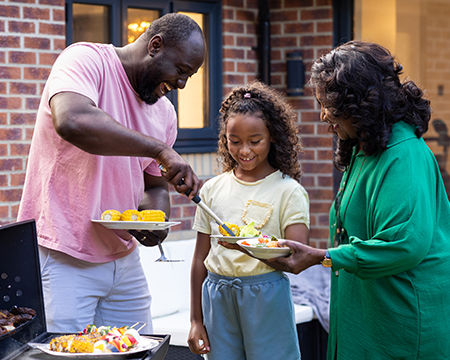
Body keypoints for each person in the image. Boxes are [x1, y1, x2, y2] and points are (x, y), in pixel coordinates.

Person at [17, 13, 205, 333]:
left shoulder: (164, 113)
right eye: (181, 71)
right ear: (155, 46)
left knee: (138, 351)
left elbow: (154, 185)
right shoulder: (87, 60)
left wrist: (156, 220)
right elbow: (72, 120)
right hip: (64, 255)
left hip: (124, 261)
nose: (182, 85)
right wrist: (159, 150)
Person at [269, 41, 450, 359]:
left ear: (364, 104)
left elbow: (403, 244)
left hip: (401, 329)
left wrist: (322, 257)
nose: (324, 115)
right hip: (367, 318)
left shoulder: (404, 156)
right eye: (321, 103)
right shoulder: (367, 147)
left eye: (332, 107)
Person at [188, 81, 310, 360]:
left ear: (273, 137)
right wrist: (196, 320)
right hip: (217, 296)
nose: (244, 150)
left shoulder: (288, 191)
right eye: (235, 141)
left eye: (255, 141)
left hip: (265, 295)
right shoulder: (212, 190)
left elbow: (296, 257)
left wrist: (244, 247)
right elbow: (199, 259)